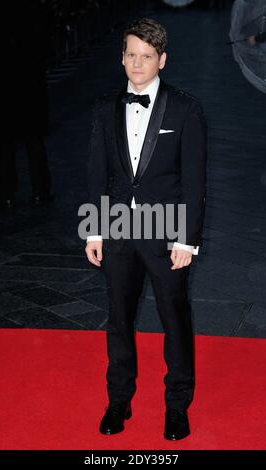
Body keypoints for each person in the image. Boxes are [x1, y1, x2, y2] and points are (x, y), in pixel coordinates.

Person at [85, 18, 207, 440]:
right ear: (122, 58)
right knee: (118, 320)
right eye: (131, 54)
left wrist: (186, 239)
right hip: (117, 226)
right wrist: (94, 231)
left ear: (163, 60)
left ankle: (177, 405)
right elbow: (96, 173)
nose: (138, 63)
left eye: (147, 56)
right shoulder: (104, 108)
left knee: (174, 318)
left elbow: (194, 182)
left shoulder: (186, 109)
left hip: (166, 227)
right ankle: (118, 400)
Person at [0, 0, 53, 210]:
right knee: (33, 139)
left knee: (5, 140)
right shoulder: (33, 9)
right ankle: (40, 190)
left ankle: (6, 193)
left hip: (3, 79)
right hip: (28, 79)